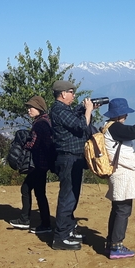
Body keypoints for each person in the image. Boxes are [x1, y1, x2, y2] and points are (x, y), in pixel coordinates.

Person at [101, 98, 135, 259]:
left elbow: (130, 132)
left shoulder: (108, 127)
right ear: (120, 114)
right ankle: (117, 246)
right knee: (123, 209)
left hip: (116, 173)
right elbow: (133, 132)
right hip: (122, 173)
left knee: (118, 208)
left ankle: (111, 242)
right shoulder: (115, 127)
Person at [48, 80, 95, 251]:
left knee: (73, 196)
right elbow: (81, 125)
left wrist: (85, 109)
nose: (74, 95)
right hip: (68, 159)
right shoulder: (59, 110)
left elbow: (75, 118)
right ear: (63, 94)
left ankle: (68, 228)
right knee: (67, 197)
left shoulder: (64, 110)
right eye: (71, 92)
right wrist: (88, 111)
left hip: (73, 159)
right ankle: (60, 237)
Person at [10, 96, 55, 234]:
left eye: (31, 107)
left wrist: (23, 144)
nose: (28, 110)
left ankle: (28, 220)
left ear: (39, 109)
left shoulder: (39, 124)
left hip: (37, 163)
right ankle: (42, 221)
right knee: (38, 192)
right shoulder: (46, 121)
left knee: (28, 189)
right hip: (42, 164)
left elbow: (34, 144)